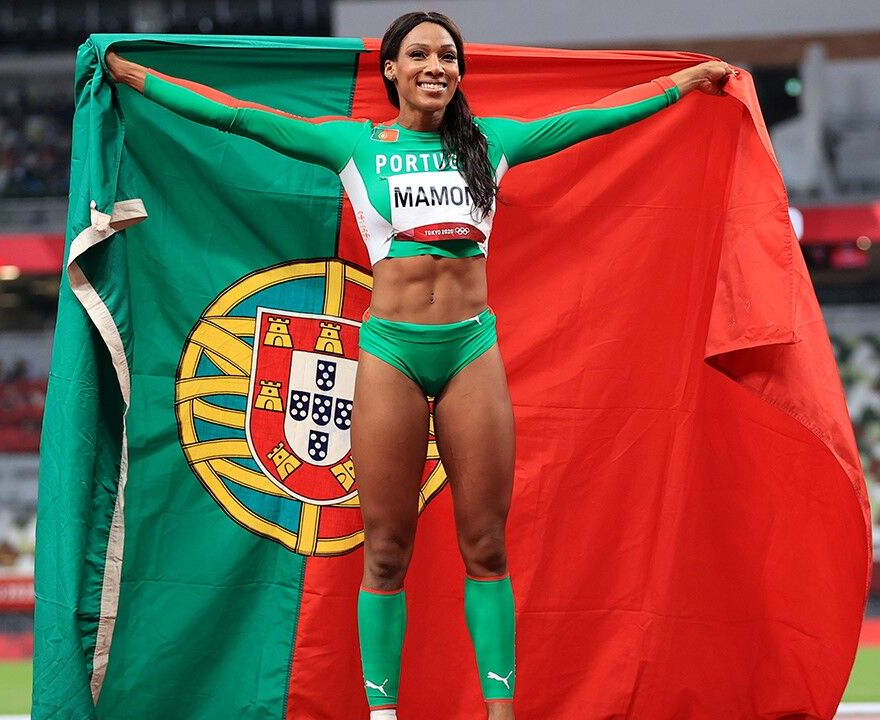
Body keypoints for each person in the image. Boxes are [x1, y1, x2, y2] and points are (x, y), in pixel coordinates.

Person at [106, 12, 735, 719]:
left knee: (486, 544)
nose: (436, 66)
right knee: (385, 550)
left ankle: (501, 713)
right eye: (419, 54)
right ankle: (384, 715)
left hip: (470, 351)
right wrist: (141, 80)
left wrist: (680, 85)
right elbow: (243, 119)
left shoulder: (492, 143)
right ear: (391, 70)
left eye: (447, 56)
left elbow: (592, 120)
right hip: (390, 356)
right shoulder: (355, 145)